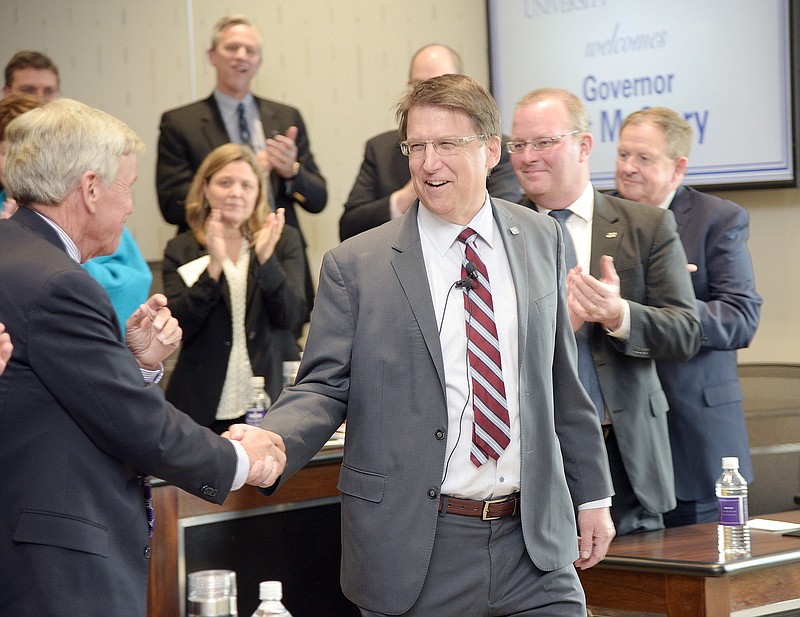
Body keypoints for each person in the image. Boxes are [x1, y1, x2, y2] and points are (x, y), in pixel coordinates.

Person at [241, 74, 615, 616]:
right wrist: (271, 440)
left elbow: (560, 381)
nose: (428, 162)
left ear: (490, 151)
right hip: (418, 552)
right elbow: (322, 387)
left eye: (446, 144)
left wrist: (593, 497)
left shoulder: (540, 237)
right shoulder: (356, 266)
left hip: (534, 548)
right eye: (416, 146)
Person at [0, 99, 284, 616]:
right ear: (89, 188)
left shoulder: (14, 254)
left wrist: (136, 365)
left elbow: (56, 394)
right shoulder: (61, 284)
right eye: (125, 187)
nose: (131, 207)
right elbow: (134, 424)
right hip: (57, 567)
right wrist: (246, 463)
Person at [509, 88, 703, 536]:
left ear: (583, 145)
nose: (526, 157)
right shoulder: (497, 229)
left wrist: (619, 316)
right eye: (518, 145)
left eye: (543, 142)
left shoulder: (646, 225)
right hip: (533, 459)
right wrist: (560, 328)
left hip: (624, 455)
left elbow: (686, 332)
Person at [615, 106, 762, 527]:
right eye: (624, 155)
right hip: (627, 446)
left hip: (696, 441)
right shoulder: (605, 220)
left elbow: (740, 316)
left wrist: (665, 309)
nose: (628, 168)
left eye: (644, 159)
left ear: (678, 167)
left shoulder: (718, 220)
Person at [157, 13, 326, 317]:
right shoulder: (182, 123)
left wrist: (292, 172)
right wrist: (237, 178)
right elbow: (170, 204)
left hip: (279, 259)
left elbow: (318, 199)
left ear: (259, 61)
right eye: (231, 48)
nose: (241, 56)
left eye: (250, 50)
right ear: (211, 55)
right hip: (213, 261)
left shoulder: (286, 117)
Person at [1, 52, 153, 330]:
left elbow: (133, 277)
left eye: (48, 91)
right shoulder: (61, 280)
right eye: (28, 90)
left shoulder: (99, 208)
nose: (39, 100)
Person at [163, 144, 307, 433]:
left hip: (270, 400)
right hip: (201, 405)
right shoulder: (182, 248)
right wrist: (214, 266)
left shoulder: (282, 240)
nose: (236, 193)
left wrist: (267, 262)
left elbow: (292, 317)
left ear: (258, 193)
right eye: (225, 183)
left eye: (246, 185)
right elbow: (179, 325)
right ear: (205, 188)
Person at [339, 43, 522, 241]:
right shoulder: (381, 149)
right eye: (418, 86)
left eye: (447, 144)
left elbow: (504, 218)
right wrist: (404, 199)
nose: (429, 163)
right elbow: (350, 227)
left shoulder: (491, 148)